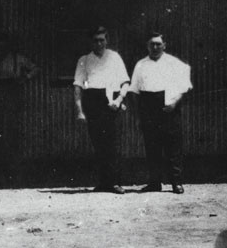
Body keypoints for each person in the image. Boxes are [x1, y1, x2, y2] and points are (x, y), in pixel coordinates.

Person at [128, 31, 192, 194]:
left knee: (173, 148)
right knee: (152, 147)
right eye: (152, 44)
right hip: (148, 107)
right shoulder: (140, 65)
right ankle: (154, 182)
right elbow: (134, 91)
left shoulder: (174, 63)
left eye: (158, 44)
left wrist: (174, 103)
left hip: (169, 108)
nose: (155, 47)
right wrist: (138, 115)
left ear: (164, 45)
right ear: (147, 46)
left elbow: (184, 87)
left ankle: (176, 183)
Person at [73, 27, 130, 194]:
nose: (99, 43)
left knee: (112, 142)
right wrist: (79, 110)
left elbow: (125, 83)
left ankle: (114, 182)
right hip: (92, 101)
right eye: (95, 40)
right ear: (91, 42)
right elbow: (78, 86)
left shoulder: (114, 58)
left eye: (102, 40)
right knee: (98, 143)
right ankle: (103, 182)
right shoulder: (84, 60)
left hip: (111, 100)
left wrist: (119, 100)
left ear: (107, 40)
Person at [0, 35, 39, 180]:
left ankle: (14, 164)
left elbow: (35, 68)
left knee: (13, 126)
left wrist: (26, 77)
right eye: (0, 45)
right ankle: (0, 164)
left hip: (13, 92)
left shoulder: (18, 58)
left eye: (5, 45)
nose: (2, 48)